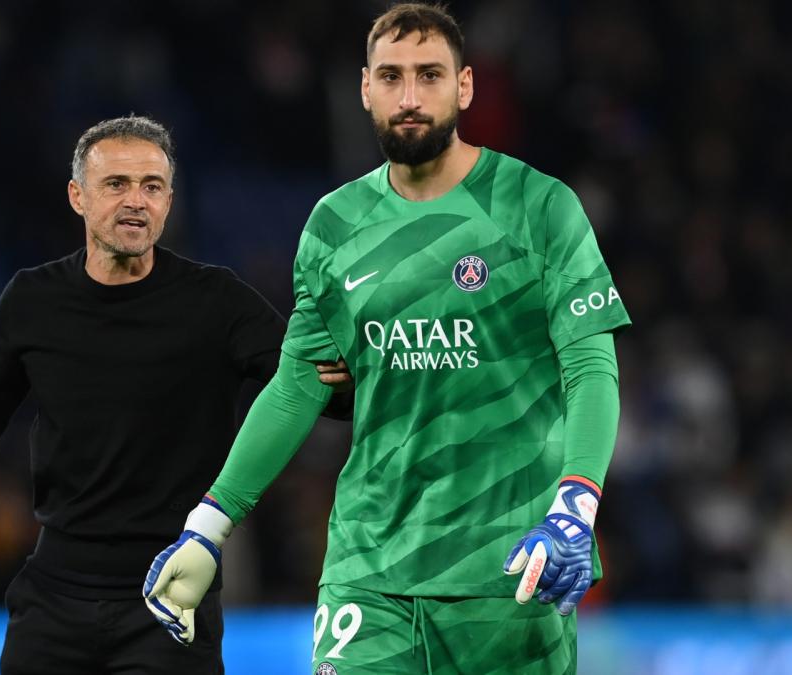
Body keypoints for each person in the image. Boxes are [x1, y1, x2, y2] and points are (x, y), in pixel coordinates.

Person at [144, 4, 630, 674]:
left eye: (429, 75)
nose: (409, 96)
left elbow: (591, 368)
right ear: (365, 89)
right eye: (392, 76)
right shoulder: (334, 224)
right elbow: (297, 386)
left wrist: (576, 502)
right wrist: (209, 524)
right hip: (369, 571)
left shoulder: (540, 207)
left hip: (510, 571)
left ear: (464, 87)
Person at [0, 115, 352, 675]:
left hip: (172, 603)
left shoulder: (217, 302)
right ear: (77, 197)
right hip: (52, 602)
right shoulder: (33, 301)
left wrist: (357, 374)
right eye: (116, 184)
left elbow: (315, 388)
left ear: (169, 201)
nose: (136, 201)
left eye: (152, 186)